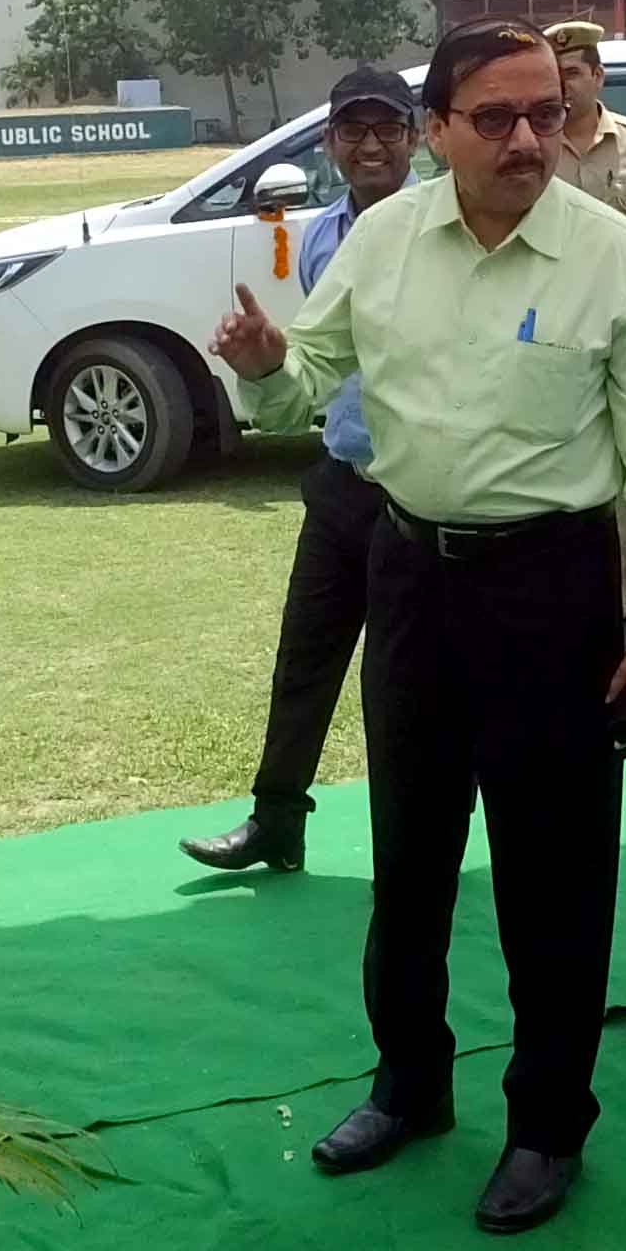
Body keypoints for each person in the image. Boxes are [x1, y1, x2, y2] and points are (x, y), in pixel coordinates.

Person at [211, 18, 626, 1235]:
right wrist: (264, 362)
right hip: (412, 577)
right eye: (494, 118)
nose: (527, 138)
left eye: (545, 113)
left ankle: (547, 1124)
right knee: (411, 852)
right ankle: (410, 1085)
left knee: (556, 874)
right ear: (437, 131)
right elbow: (302, 383)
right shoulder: (383, 241)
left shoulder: (612, 258)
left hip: (552, 590)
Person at [182, 65, 418, 874]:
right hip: (342, 474)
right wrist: (267, 363)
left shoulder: (442, 229)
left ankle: (415, 850)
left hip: (417, 492)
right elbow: (319, 366)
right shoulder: (321, 237)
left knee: (403, 684)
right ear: (329, 142)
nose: (371, 145)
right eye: (354, 130)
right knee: (305, 657)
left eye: (387, 128)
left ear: (417, 138)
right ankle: (276, 820)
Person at [543, 18, 626, 232]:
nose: (562, 85)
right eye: (554, 75)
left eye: (572, 73)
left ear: (598, 76)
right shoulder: (536, 147)